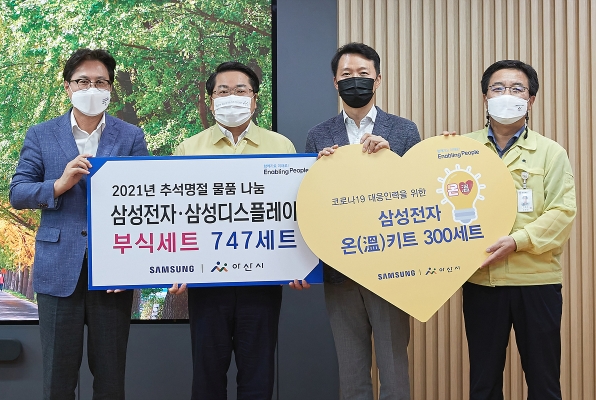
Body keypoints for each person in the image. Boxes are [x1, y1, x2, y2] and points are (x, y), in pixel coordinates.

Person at [9, 48, 149, 400]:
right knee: (58, 380)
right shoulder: (41, 134)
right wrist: (58, 185)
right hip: (58, 270)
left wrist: (131, 267)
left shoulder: (131, 136)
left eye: (100, 82)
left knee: (111, 379)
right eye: (83, 81)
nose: (92, 88)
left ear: (111, 88)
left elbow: (145, 200)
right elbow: (18, 192)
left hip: (113, 272)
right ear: (68, 87)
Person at [445, 60, 576, 400]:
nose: (507, 95)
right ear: (485, 97)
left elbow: (562, 211)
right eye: (498, 88)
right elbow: (435, 200)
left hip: (536, 281)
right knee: (484, 384)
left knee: (544, 382)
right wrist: (437, 156)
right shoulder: (461, 148)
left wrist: (518, 241)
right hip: (482, 281)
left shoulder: (550, 152)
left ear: (530, 100)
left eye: (517, 89)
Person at [171, 61, 302, 400]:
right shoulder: (188, 149)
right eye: (223, 91)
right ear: (211, 100)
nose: (232, 97)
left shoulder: (281, 147)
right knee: (207, 379)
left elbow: (295, 213)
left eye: (241, 90)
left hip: (262, 282)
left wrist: (301, 263)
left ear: (255, 99)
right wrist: (173, 266)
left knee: (258, 378)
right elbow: (176, 216)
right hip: (206, 282)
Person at [303, 42, 420, 400]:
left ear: (378, 79)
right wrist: (319, 170)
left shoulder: (403, 131)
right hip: (340, 271)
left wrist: (391, 159)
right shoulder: (318, 136)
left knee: (394, 372)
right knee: (352, 374)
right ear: (335, 83)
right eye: (347, 74)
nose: (355, 80)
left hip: (392, 270)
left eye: (363, 74)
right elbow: (310, 205)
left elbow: (421, 195)